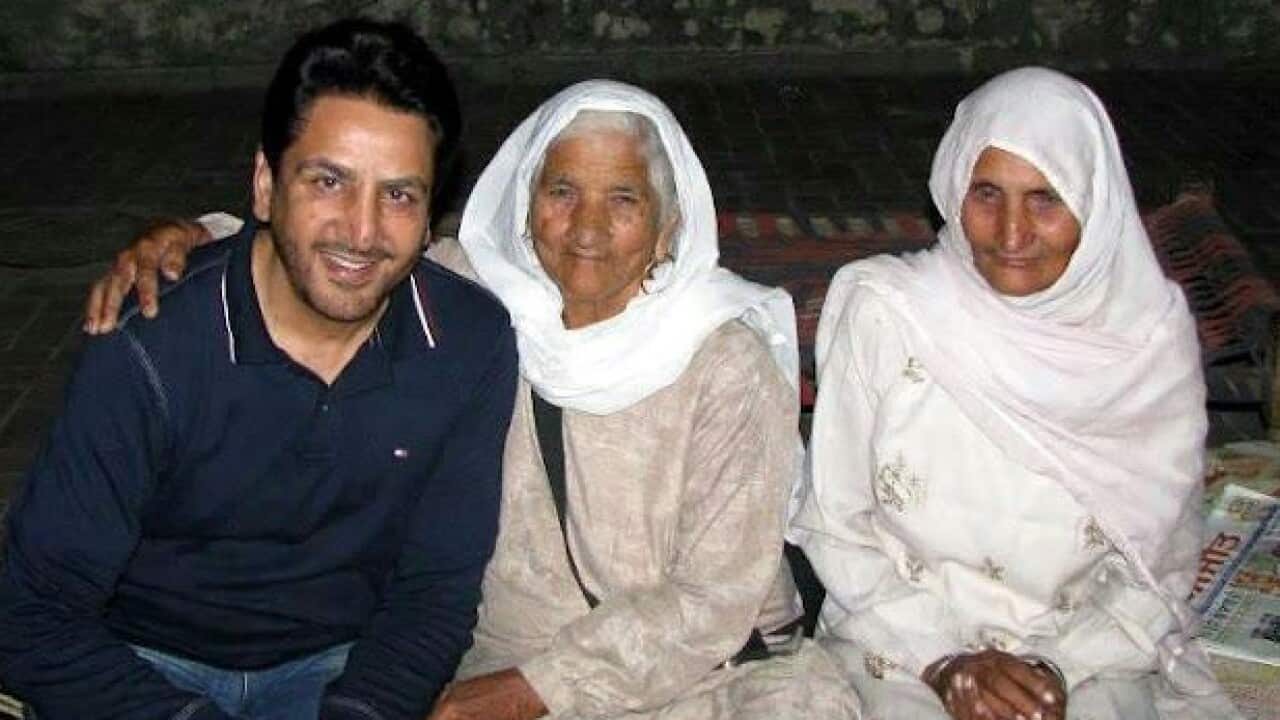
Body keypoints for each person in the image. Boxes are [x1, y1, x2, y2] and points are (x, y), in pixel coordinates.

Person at [80, 80, 862, 720]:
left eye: (624, 198)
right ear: (525, 201)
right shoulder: (475, 296)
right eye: (562, 190)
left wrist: (536, 690)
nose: (587, 227)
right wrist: (189, 236)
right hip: (503, 672)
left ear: (666, 227)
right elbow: (337, 254)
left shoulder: (724, 360)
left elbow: (714, 598)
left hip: (705, 682)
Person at [0, 18, 517, 720]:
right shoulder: (150, 343)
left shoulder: (467, 343)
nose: (362, 231)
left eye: (398, 194)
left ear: (431, 216)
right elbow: (33, 610)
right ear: (266, 185)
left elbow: (435, 591)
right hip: (142, 663)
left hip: (340, 665)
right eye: (329, 181)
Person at [789, 66, 1241, 720]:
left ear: (1095, 204)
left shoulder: (1147, 343)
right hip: (898, 640)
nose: (1010, 234)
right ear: (953, 188)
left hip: (1086, 653)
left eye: (1046, 199)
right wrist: (944, 660)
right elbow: (836, 522)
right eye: (987, 194)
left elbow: (1162, 560)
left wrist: (1059, 668)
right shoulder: (889, 314)